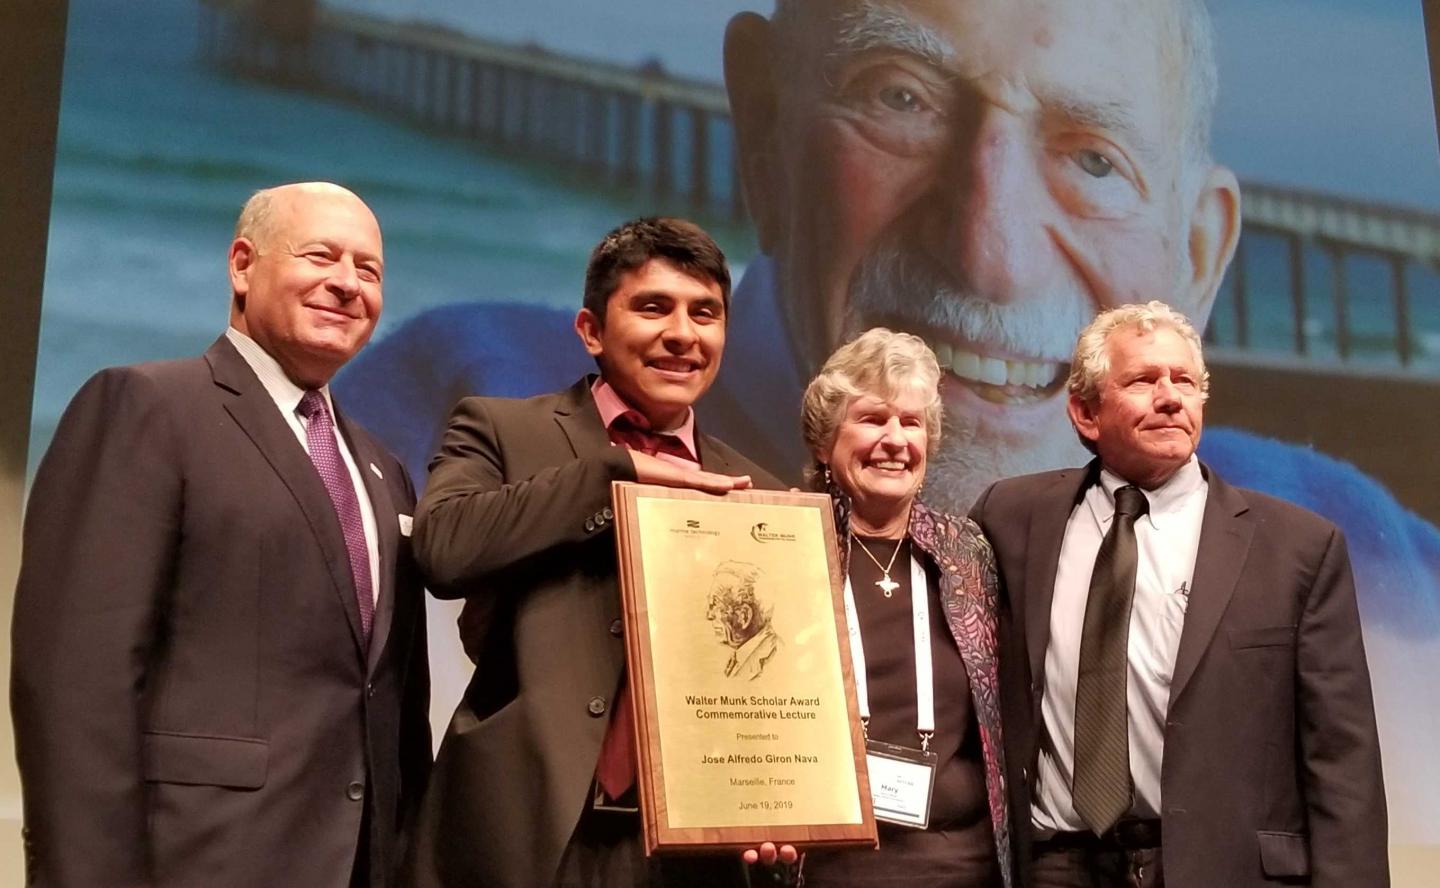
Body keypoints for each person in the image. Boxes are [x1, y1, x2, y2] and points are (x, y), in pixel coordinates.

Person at [329, 0, 1439, 834]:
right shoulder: (450, 411)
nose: (987, 254)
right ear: (763, 129)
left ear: (1199, 255)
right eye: (901, 97)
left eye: (1095, 159)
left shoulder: (1359, 562)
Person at [11, 182, 431, 888]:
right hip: (196, 861)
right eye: (321, 256)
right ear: (242, 265)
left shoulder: (382, 468)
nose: (347, 284)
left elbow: (389, 698)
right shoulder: (147, 406)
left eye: (369, 270)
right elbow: (76, 683)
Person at [404, 217, 785, 888]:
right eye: (652, 307)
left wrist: (784, 801)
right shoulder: (501, 428)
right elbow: (443, 548)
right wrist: (612, 475)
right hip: (523, 824)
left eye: (705, 313)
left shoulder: (759, 493)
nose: (682, 334)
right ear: (590, 330)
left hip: (688, 848)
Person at [970, 302, 1387, 887]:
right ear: (1086, 412)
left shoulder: (1297, 548)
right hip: (1055, 865)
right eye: (1143, 381)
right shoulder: (1011, 518)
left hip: (1219, 868)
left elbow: (1342, 759)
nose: (1170, 397)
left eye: (1184, 381)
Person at [790, 327, 1012, 887]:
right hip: (825, 865)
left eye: (911, 422)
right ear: (824, 439)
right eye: (872, 419)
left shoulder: (968, 552)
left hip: (962, 863)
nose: (895, 440)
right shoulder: (782, 542)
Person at [706, 561, 783, 680]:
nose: (709, 615)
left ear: (744, 616)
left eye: (715, 604)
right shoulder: (742, 657)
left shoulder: (773, 659)